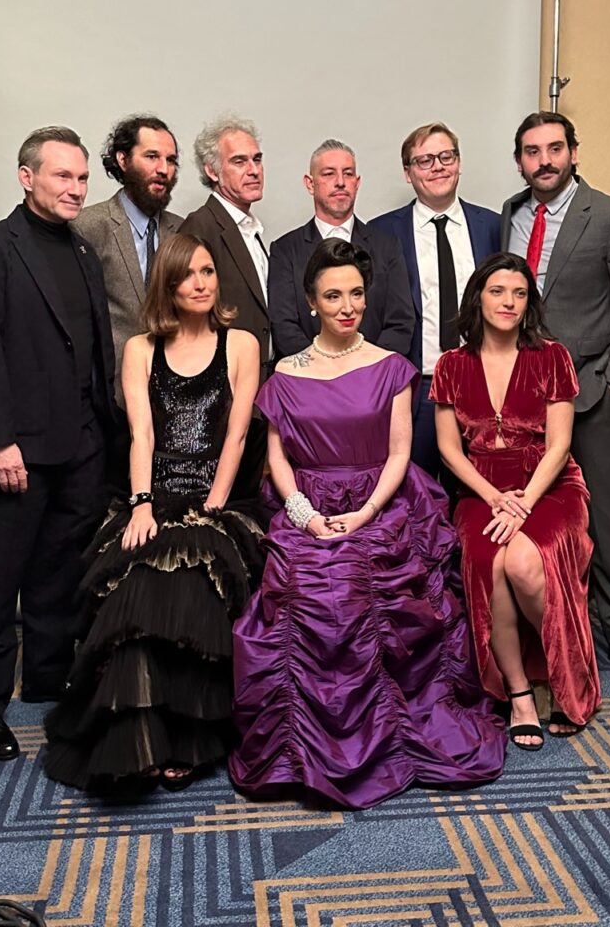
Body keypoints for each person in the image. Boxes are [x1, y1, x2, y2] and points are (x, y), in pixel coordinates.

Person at [228, 238, 505, 809]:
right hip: (307, 501)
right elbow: (277, 457)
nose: (348, 305)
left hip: (381, 499)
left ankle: (393, 737)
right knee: (302, 590)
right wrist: (302, 513)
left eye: (356, 292)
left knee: (363, 587)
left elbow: (401, 453)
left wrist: (364, 512)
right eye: (334, 295)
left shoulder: (390, 367)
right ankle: (299, 749)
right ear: (311, 302)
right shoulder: (283, 371)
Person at [44, 233, 264, 794]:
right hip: (153, 492)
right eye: (188, 274)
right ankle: (144, 737)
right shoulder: (140, 348)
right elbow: (141, 434)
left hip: (218, 497)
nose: (201, 283)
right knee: (134, 588)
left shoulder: (240, 343)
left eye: (209, 272)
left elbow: (237, 435)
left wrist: (214, 504)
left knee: (190, 589)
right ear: (167, 283)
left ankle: (189, 739)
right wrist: (142, 504)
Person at [0, 126, 118, 761]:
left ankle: (48, 677)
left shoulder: (79, 253)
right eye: (62, 177)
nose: (76, 188)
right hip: (14, 450)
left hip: (80, 445)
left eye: (81, 178)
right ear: (27, 178)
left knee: (57, 575)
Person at [501, 111, 610, 689]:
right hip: (520, 396)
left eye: (555, 148)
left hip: (588, 391)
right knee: (534, 508)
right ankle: (558, 623)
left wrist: (608, 379)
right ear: (519, 160)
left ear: (573, 152)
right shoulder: (510, 214)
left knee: (605, 517)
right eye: (531, 151)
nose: (544, 160)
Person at [431, 253, 601, 750]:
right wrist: (492, 497)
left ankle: (566, 673)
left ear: (529, 303)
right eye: (498, 291)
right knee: (489, 563)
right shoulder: (451, 364)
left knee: (526, 562)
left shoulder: (552, 357)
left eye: (520, 293)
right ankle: (521, 694)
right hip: (480, 490)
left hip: (548, 486)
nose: (508, 302)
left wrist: (523, 502)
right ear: (477, 298)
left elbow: (559, 445)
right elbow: (448, 449)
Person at [369, 122, 500, 483]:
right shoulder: (381, 233)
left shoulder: (492, 226)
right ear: (407, 173)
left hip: (480, 384)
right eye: (425, 160)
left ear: (459, 163)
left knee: (477, 497)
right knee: (415, 498)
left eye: (446, 156)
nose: (438, 167)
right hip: (417, 388)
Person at [182, 115, 270, 500]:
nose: (253, 170)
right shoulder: (199, 227)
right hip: (221, 402)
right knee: (222, 513)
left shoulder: (253, 230)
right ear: (211, 171)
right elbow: (190, 319)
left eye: (257, 159)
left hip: (261, 393)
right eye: (239, 162)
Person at [268, 138, 414, 358]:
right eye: (328, 174)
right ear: (310, 183)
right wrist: (325, 372)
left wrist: (367, 371)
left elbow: (400, 322)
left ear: (357, 182)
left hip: (375, 381)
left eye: (348, 173)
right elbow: (284, 327)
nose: (340, 182)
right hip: (310, 383)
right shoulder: (285, 250)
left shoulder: (387, 246)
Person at [74, 114, 184, 385]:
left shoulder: (183, 230)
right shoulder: (86, 227)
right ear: (122, 160)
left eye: (171, 160)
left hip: (175, 390)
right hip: (112, 392)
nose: (163, 169)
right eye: (151, 156)